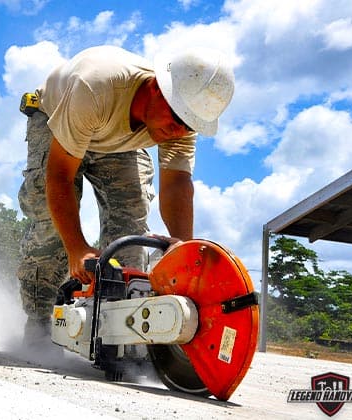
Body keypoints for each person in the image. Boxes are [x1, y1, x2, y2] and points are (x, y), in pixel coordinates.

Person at [16, 45, 235, 345]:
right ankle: (39, 326)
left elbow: (176, 183)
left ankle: (117, 333)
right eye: (175, 121)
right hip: (58, 118)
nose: (178, 132)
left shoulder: (182, 118)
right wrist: (77, 248)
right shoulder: (95, 87)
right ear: (158, 88)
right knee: (53, 229)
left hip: (117, 139)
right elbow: (60, 176)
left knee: (131, 230)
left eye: (188, 126)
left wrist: (182, 249)